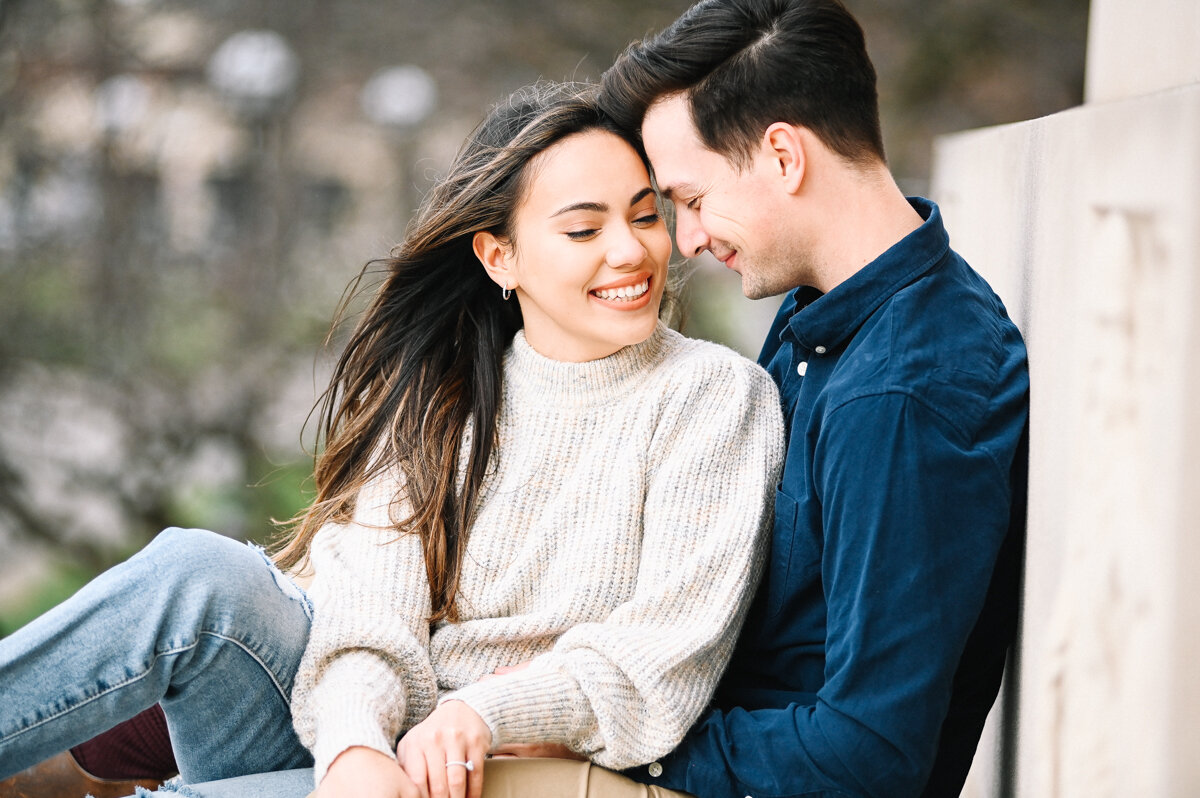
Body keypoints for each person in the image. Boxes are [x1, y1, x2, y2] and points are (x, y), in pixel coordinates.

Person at [0, 82, 785, 798]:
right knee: (194, 571)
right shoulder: (444, 395)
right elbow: (366, 615)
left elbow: (658, 661)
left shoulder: (714, 398)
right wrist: (352, 750)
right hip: (378, 745)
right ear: (499, 256)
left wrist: (480, 713)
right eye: (585, 228)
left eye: (646, 214)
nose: (631, 251)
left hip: (513, 770)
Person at [593, 1, 1031, 796]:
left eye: (690, 199)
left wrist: (621, 745)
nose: (686, 240)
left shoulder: (900, 393)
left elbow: (868, 754)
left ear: (784, 156)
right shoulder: (817, 319)